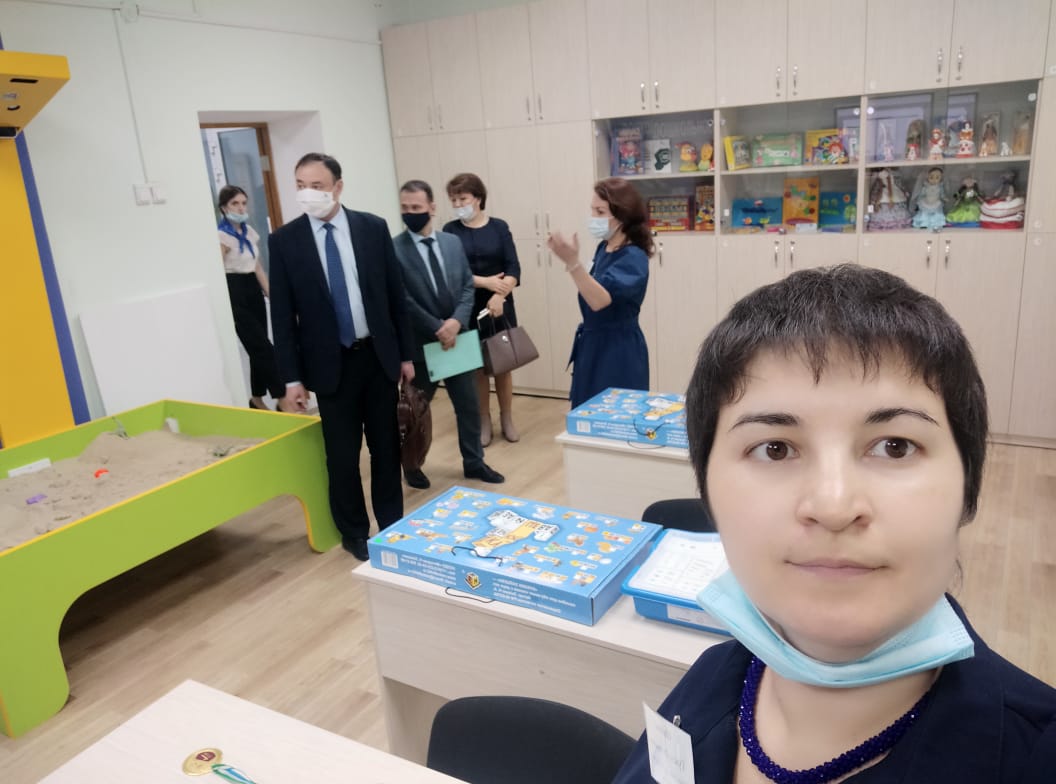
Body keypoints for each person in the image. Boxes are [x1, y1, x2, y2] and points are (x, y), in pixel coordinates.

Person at [613, 265, 1056, 783]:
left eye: (895, 446)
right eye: (775, 449)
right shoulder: (712, 675)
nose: (833, 505)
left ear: (967, 488)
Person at [268, 153, 415, 561]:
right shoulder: (285, 241)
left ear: (338, 187)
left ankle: (392, 524)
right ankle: (354, 531)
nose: (307, 193)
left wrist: (406, 355)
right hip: (329, 366)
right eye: (301, 185)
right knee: (342, 456)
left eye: (316, 185)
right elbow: (282, 317)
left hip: (377, 357)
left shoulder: (372, 228)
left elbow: (395, 297)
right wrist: (291, 379)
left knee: (386, 448)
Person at [392, 179, 505, 489]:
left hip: (458, 339)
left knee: (469, 406)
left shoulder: (452, 242)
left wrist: (456, 322)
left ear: (431, 207)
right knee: (416, 410)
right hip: (421, 344)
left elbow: (467, 285)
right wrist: (437, 327)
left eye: (416, 207)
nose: (410, 212)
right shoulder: (394, 249)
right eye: (405, 208)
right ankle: (411, 465)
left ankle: (474, 462)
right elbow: (402, 299)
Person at [546, 178, 652, 408]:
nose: (593, 217)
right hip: (592, 344)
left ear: (622, 215)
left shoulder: (633, 257)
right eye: (592, 210)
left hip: (618, 350)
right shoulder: (604, 248)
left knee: (614, 414)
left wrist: (572, 263)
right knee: (587, 411)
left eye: (600, 212)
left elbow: (599, 300)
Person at [443, 172, 521, 446]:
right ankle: (484, 419)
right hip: (467, 306)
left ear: (478, 198)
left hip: (499, 305)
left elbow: (513, 267)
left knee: (503, 365)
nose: (458, 205)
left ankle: (507, 417)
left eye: (462, 199)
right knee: (476, 367)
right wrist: (485, 282)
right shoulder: (450, 231)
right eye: (453, 200)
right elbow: (452, 271)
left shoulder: (499, 227)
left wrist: (500, 294)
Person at [216, 185, 285, 411]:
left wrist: (271, 294)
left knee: (259, 347)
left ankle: (256, 399)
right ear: (224, 207)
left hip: (253, 289)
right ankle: (282, 397)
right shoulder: (222, 236)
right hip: (234, 291)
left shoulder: (249, 233)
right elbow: (217, 271)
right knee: (263, 348)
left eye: (243, 203)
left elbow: (257, 267)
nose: (241, 208)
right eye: (235, 203)